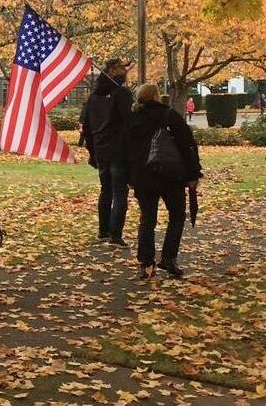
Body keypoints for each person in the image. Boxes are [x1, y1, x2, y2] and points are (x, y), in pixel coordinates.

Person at [126, 84, 202, 279]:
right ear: (157, 97)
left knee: (147, 219)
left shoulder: (132, 118)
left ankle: (146, 263)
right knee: (177, 215)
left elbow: (126, 151)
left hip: (143, 175)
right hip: (170, 175)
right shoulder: (169, 116)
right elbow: (187, 145)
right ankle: (168, 257)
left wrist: (130, 177)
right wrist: (193, 173)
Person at [79, 57, 134, 247]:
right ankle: (115, 234)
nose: (125, 71)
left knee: (106, 190)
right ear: (110, 70)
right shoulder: (122, 94)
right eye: (121, 68)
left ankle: (104, 230)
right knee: (119, 192)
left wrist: (92, 150)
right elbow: (130, 122)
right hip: (117, 151)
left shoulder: (93, 97)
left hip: (101, 149)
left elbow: (86, 126)